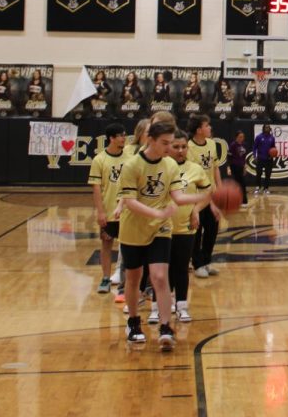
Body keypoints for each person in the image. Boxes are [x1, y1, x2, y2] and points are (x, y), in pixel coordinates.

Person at [116, 120, 188, 350]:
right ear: (151, 140)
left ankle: (166, 327)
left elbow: (178, 196)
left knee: (159, 276)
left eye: (172, 143)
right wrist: (156, 211)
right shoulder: (132, 165)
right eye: (165, 143)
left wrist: (208, 198)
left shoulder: (170, 165)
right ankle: (133, 322)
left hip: (161, 227)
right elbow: (129, 201)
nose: (169, 147)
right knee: (134, 277)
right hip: (134, 227)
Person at [164, 129, 213, 324]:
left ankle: (182, 305)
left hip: (186, 227)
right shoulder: (162, 167)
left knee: (182, 268)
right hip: (163, 227)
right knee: (164, 269)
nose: (180, 150)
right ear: (168, 147)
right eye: (176, 146)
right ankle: (165, 305)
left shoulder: (195, 169)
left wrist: (196, 210)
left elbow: (207, 193)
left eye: (184, 147)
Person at [88, 123, 127, 294]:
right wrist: (100, 211)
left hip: (126, 211)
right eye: (120, 135)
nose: (124, 138)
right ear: (111, 138)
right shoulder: (99, 160)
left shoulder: (130, 158)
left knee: (127, 246)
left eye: (124, 135)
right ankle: (105, 278)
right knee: (106, 243)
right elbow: (96, 188)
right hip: (109, 210)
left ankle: (125, 280)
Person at [187, 114, 224, 278]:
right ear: (199, 130)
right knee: (197, 230)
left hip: (212, 193)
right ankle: (197, 264)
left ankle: (207, 261)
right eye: (207, 125)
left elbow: (215, 168)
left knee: (213, 228)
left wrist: (220, 190)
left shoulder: (211, 143)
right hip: (196, 195)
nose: (210, 128)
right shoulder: (188, 147)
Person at [251, 125, 276, 196]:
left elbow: (273, 148)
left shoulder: (272, 138)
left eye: (268, 127)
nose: (267, 129)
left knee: (268, 175)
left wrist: (274, 153)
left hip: (269, 159)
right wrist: (254, 156)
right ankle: (258, 188)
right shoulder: (259, 137)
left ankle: (266, 189)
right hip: (260, 159)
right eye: (266, 127)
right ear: (263, 128)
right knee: (258, 174)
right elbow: (254, 147)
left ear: (270, 129)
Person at [228, 130, 247, 197]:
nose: (242, 138)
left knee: (240, 183)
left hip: (241, 166)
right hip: (235, 166)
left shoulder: (244, 144)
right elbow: (229, 157)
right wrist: (229, 168)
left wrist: (245, 167)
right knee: (241, 183)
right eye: (240, 137)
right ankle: (243, 200)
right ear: (236, 137)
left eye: (243, 137)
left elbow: (244, 157)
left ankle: (238, 199)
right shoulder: (233, 145)